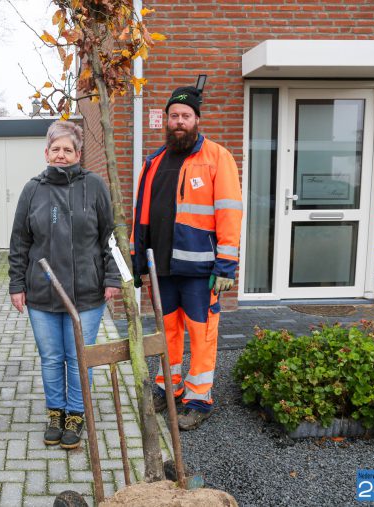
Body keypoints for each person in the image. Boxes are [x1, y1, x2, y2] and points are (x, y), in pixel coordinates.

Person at [131, 86, 243, 430]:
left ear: (197, 120)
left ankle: (199, 397)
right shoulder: (154, 162)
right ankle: (169, 386)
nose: (179, 122)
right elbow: (141, 214)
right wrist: (138, 259)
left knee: (202, 332)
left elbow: (229, 212)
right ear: (165, 120)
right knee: (167, 332)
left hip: (200, 269)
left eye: (186, 116)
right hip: (161, 267)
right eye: (174, 116)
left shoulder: (217, 157)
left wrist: (226, 263)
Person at [9, 121, 121, 450]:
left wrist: (113, 277)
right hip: (42, 294)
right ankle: (55, 412)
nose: (61, 154)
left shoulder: (95, 186)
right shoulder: (33, 189)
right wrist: (17, 285)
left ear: (78, 153)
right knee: (51, 357)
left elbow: (111, 238)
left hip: (87, 294)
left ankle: (76, 413)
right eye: (55, 149)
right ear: (46, 153)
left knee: (77, 357)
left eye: (67, 149)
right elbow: (19, 242)